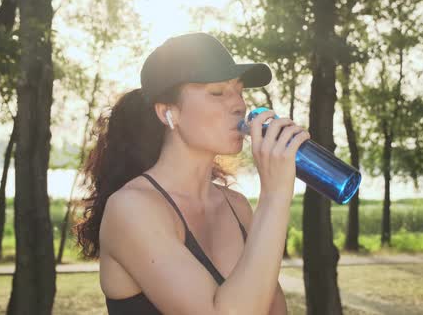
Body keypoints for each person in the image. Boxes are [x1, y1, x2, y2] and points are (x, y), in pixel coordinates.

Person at [75, 32, 310, 314]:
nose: (239, 104)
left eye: (239, 90)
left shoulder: (236, 206)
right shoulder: (131, 208)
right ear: (168, 113)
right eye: (217, 92)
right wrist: (274, 195)